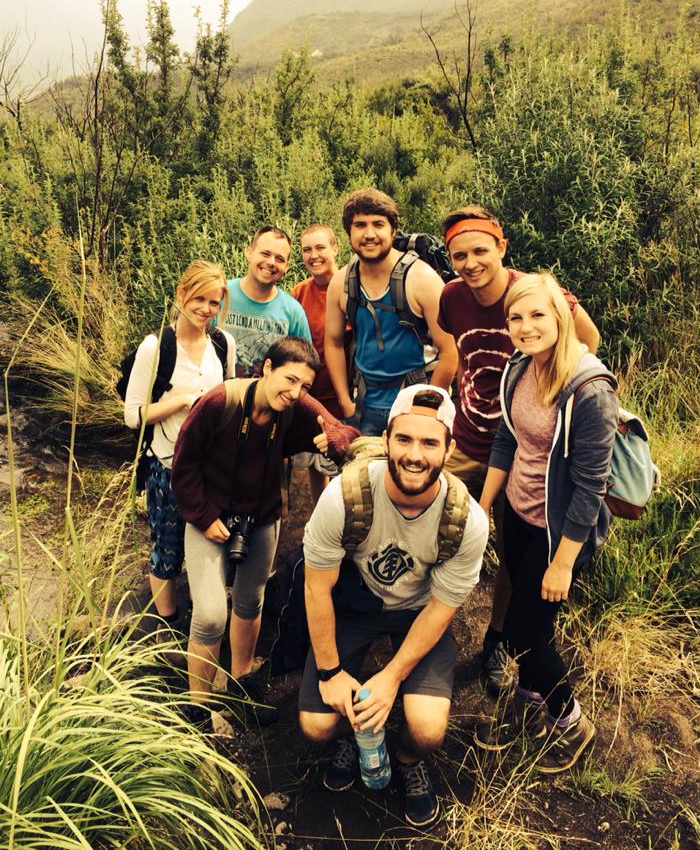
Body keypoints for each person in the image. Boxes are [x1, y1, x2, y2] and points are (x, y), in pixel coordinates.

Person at [299, 385, 488, 827]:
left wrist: (391, 678)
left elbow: (441, 608)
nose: (414, 455)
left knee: (427, 730)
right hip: (356, 606)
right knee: (315, 726)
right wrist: (330, 671)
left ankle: (405, 757)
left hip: (417, 612)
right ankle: (357, 735)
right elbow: (316, 587)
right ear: (386, 441)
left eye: (429, 443)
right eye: (404, 439)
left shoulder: (466, 520)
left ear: (449, 449)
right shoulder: (343, 496)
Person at [438, 206, 600, 693]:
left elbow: (587, 341)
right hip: (471, 439)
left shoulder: (536, 294)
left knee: (515, 559)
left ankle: (498, 640)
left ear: (502, 247)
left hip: (531, 450)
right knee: (437, 527)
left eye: (480, 250)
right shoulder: (451, 297)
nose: (470, 263)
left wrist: (563, 405)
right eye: (459, 255)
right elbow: (458, 354)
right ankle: (422, 626)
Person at [171, 336, 358, 729]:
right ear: (267, 368)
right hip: (210, 519)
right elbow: (183, 467)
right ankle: (197, 708)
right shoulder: (219, 403)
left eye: (304, 386)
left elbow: (344, 433)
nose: (296, 392)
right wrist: (204, 516)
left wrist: (335, 441)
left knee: (250, 601)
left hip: (262, 517)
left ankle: (241, 684)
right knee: (210, 615)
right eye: (290, 380)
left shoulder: (295, 405)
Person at [475, 272, 617, 772]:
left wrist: (562, 563)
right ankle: (532, 700)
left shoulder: (589, 389)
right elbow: (507, 439)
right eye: (515, 317)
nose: (526, 326)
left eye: (537, 315)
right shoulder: (519, 366)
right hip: (517, 513)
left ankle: (571, 722)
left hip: (559, 532)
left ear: (560, 316)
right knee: (534, 625)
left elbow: (591, 486)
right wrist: (484, 506)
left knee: (522, 634)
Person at [123, 260, 235, 649]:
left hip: (212, 467)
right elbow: (133, 414)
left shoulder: (223, 343)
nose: (206, 309)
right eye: (199, 299)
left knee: (213, 540)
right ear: (180, 294)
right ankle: (168, 627)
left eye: (214, 303)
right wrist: (181, 401)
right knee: (166, 549)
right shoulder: (156, 347)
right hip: (167, 465)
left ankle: (206, 614)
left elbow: (230, 395)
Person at [325, 187, 457, 436]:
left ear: (393, 231)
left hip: (416, 401)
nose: (369, 234)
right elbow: (333, 343)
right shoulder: (341, 283)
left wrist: (427, 408)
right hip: (364, 405)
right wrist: (345, 401)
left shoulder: (421, 279)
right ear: (349, 232)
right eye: (360, 225)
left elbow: (450, 352)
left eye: (378, 224)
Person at [291, 223, 351, 503]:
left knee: (345, 464)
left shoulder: (351, 288)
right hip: (310, 396)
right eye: (307, 250)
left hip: (345, 397)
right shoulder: (299, 293)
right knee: (315, 461)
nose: (313, 255)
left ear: (335, 248)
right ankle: (319, 515)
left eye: (320, 247)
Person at [225, 225, 312, 377]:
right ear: (249, 252)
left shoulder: (293, 312)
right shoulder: (220, 295)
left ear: (286, 266)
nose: (271, 262)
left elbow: (304, 365)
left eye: (280, 259)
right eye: (265, 254)